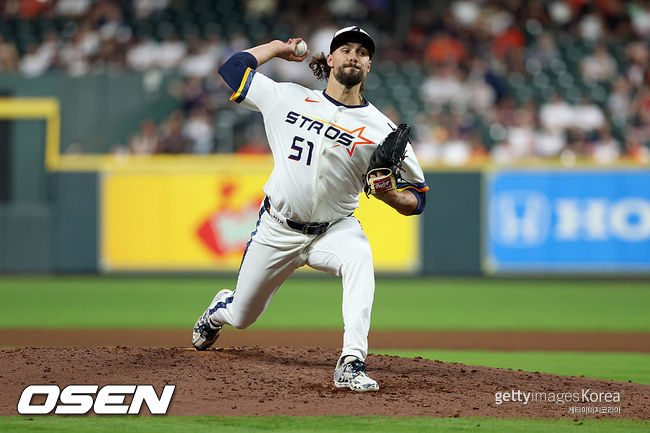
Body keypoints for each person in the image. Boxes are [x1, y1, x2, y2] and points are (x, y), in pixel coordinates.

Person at [191, 26, 428, 392]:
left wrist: (391, 196)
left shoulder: (381, 128)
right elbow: (232, 69)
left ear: (369, 65)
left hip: (335, 229)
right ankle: (220, 308)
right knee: (242, 315)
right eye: (345, 49)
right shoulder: (287, 97)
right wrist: (276, 48)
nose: (353, 55)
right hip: (277, 228)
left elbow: (419, 197)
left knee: (359, 258)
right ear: (330, 59)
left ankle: (352, 361)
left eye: (362, 52)